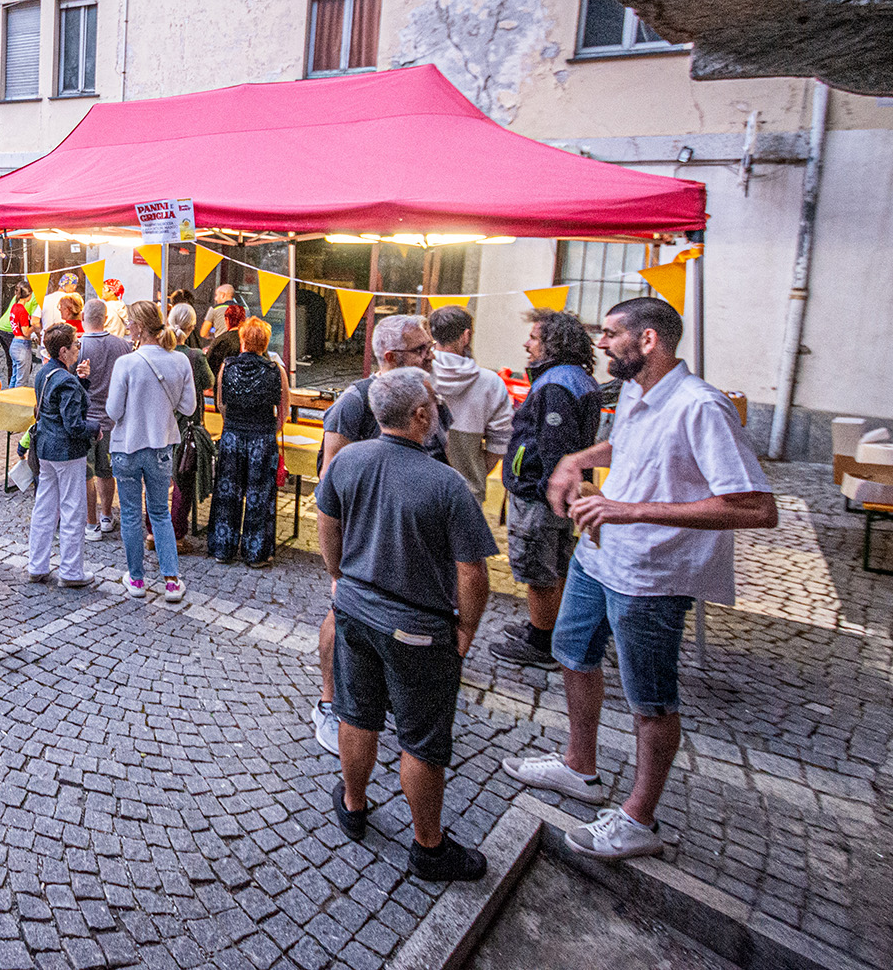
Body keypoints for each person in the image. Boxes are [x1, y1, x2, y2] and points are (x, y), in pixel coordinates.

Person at [503, 299, 776, 860]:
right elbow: (627, 444)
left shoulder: (702, 407)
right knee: (572, 651)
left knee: (649, 697)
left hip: (653, 573)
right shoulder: (633, 390)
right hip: (601, 555)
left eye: (610, 333)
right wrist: (577, 458)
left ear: (648, 340)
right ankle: (580, 766)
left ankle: (639, 818)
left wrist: (632, 510)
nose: (599, 343)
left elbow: (755, 508)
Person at [318, 368, 498, 882]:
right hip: (418, 627)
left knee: (357, 713)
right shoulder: (447, 484)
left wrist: (338, 575)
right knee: (421, 741)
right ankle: (429, 846)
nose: (438, 409)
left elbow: (328, 521)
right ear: (421, 415)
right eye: (434, 403)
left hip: (355, 608)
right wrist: (465, 630)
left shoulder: (348, 459)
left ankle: (353, 805)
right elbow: (472, 573)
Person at [310, 314, 454, 754]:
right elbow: (330, 479)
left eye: (429, 347)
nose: (431, 355)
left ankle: (381, 693)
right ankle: (330, 704)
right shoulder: (354, 402)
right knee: (343, 613)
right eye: (421, 350)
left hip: (413, 535)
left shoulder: (431, 399)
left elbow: (441, 456)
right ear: (391, 357)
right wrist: (340, 552)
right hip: (362, 535)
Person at [489, 309, 603, 669]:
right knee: (555, 564)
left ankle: (541, 644)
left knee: (538, 567)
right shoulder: (576, 378)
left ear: (553, 343)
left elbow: (555, 446)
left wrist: (543, 488)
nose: (527, 343)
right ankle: (549, 628)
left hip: (541, 496)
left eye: (534, 338)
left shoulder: (556, 385)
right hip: (552, 494)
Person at [106, 302, 198, 601]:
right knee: (159, 513)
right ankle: (171, 581)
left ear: (141, 327)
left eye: (130, 322)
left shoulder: (127, 363)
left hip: (127, 446)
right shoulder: (180, 361)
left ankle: (136, 579)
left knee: (132, 515)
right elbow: (189, 407)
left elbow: (113, 410)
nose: (127, 326)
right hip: (161, 445)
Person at [209, 318, 290, 567]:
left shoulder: (227, 366)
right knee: (259, 495)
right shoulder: (275, 369)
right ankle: (256, 553)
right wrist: (271, 429)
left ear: (242, 340)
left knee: (227, 492)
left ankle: (223, 548)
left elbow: (220, 402)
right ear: (265, 342)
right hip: (262, 437)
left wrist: (231, 423)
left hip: (233, 434)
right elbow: (284, 408)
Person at [28, 323, 100, 587]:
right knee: (72, 509)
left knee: (45, 508)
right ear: (63, 350)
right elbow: (74, 424)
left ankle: (37, 564)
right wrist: (95, 428)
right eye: (76, 345)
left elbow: (54, 406)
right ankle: (71, 571)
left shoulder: (44, 373)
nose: (78, 349)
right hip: (67, 451)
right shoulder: (66, 380)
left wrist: (80, 381)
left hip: (45, 448)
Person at [427, 305, 513, 502]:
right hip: (467, 495)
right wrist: (475, 472)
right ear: (466, 336)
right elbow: (500, 443)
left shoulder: (418, 376)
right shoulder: (491, 382)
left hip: (417, 493)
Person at [77, 298, 130, 543]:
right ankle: (107, 516)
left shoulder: (76, 345)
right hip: (111, 419)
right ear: (106, 317)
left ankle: (91, 524)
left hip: (83, 420)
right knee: (107, 471)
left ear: (83, 318)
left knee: (87, 474)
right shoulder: (122, 345)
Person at [167, 302, 215, 551]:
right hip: (188, 425)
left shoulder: (161, 351)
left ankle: (153, 532)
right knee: (183, 481)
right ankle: (176, 535)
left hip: (162, 422)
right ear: (193, 326)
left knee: (158, 479)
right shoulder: (195, 356)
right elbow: (209, 381)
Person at [0, 285, 40, 389]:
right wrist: (34, 327)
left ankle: (10, 399)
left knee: (14, 377)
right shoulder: (22, 310)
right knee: (21, 380)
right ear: (29, 296)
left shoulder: (15, 306)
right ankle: (18, 402)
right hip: (22, 345)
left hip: (15, 343)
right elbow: (25, 332)